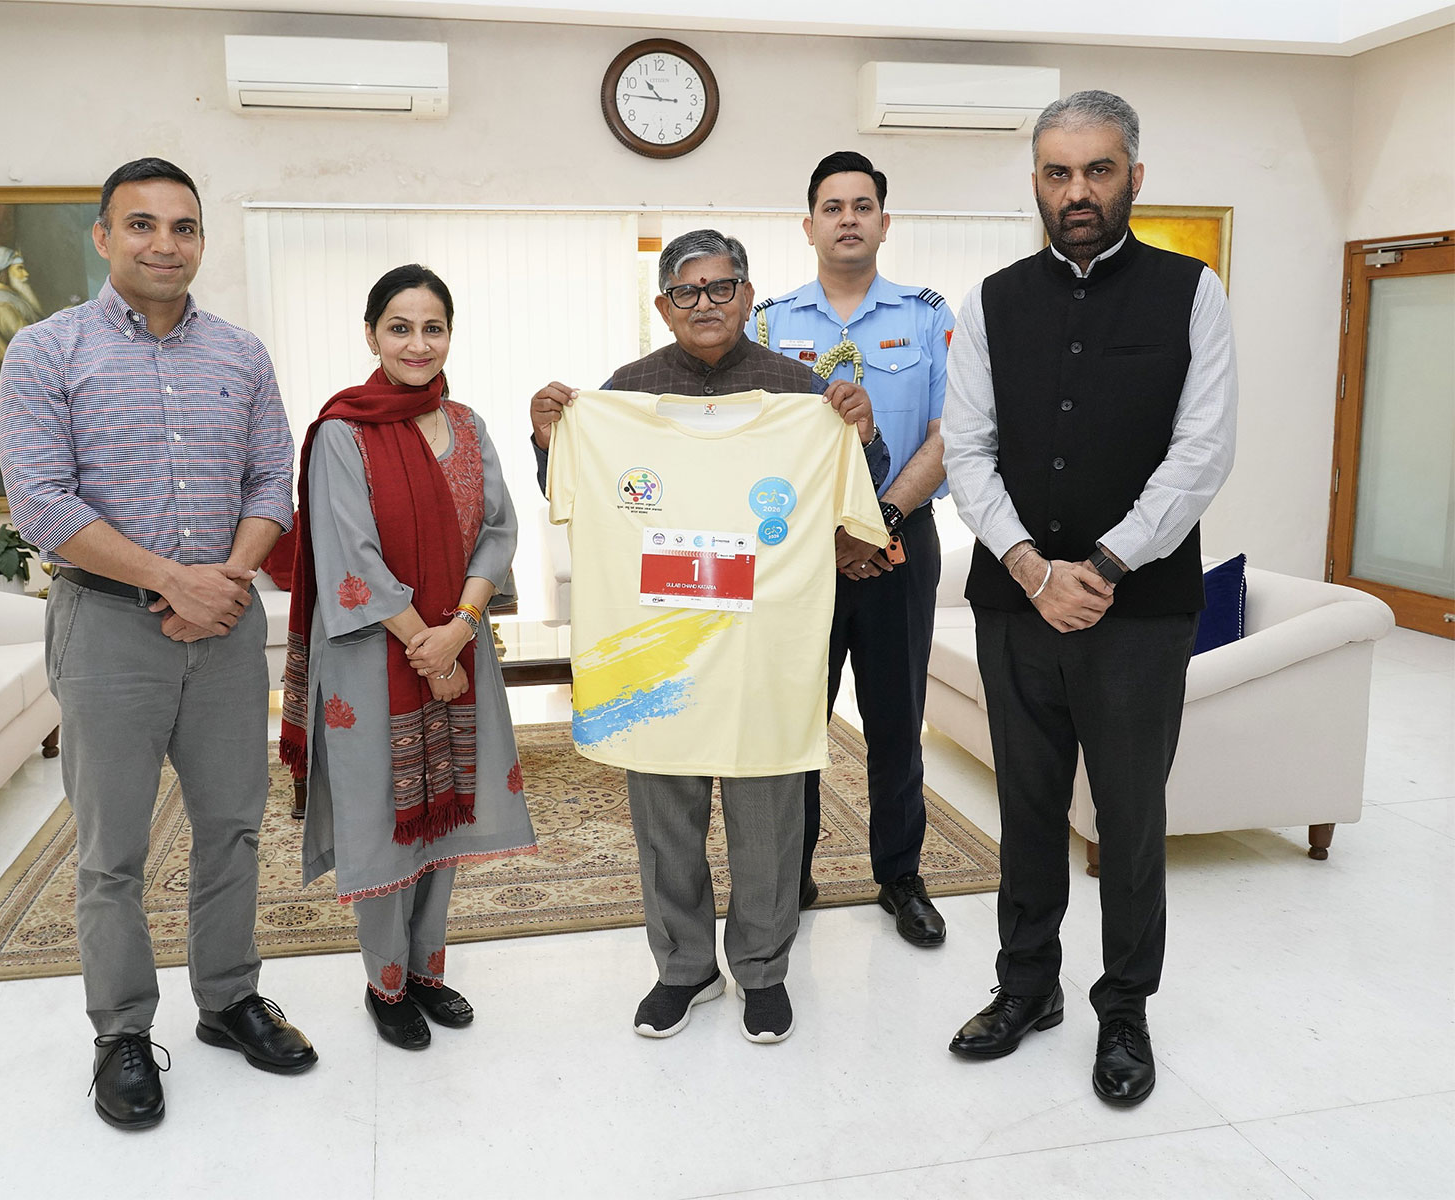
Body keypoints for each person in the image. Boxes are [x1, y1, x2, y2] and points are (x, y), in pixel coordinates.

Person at [0, 157, 316, 1131]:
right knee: (110, 851)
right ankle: (123, 1035)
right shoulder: (46, 353)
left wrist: (216, 585)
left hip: (224, 632)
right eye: (141, 225)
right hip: (106, 629)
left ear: (201, 242)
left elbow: (272, 484)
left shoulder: (241, 355)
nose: (164, 244)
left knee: (232, 826)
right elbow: (42, 503)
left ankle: (226, 1001)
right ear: (103, 237)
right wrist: (170, 580)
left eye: (183, 227)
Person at [941, 91, 1237, 1106]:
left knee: (1127, 816)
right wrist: (1030, 567)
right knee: (1023, 807)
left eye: (1098, 170)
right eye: (1058, 172)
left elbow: (1202, 452)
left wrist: (1104, 567)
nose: (1077, 191)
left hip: (1140, 615)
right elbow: (968, 451)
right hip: (1014, 606)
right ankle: (1026, 989)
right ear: (1035, 181)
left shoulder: (1191, 293)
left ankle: (1124, 1012)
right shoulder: (988, 301)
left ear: (1134, 178)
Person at [528, 229, 886, 1044]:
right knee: (664, 814)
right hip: (656, 651)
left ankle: (762, 969)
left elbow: (860, 500)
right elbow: (567, 486)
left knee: (767, 812)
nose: (705, 305)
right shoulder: (624, 394)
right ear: (663, 305)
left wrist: (859, 431)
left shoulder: (804, 396)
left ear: (748, 297)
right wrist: (550, 435)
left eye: (721, 288)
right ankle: (683, 968)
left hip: (766, 649)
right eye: (686, 292)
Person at [280, 264, 537, 1053]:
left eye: (432, 328)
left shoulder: (469, 424)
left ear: (449, 335)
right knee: (381, 817)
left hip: (458, 648)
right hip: (370, 656)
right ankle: (384, 983)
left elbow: (499, 530)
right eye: (400, 327)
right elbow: (347, 552)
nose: (417, 343)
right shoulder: (341, 432)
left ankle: (427, 969)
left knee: (445, 809)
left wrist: (458, 627)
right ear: (371, 335)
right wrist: (426, 644)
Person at [754, 150, 954, 947]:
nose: (847, 218)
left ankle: (900, 877)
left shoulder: (929, 314)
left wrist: (883, 524)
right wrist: (831, 538)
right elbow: (756, 446)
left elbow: (951, 436)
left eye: (862, 205)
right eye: (832, 206)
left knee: (897, 720)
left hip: (901, 545)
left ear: (884, 222)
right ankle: (790, 870)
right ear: (808, 225)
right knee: (794, 721)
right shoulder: (768, 322)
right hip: (801, 554)